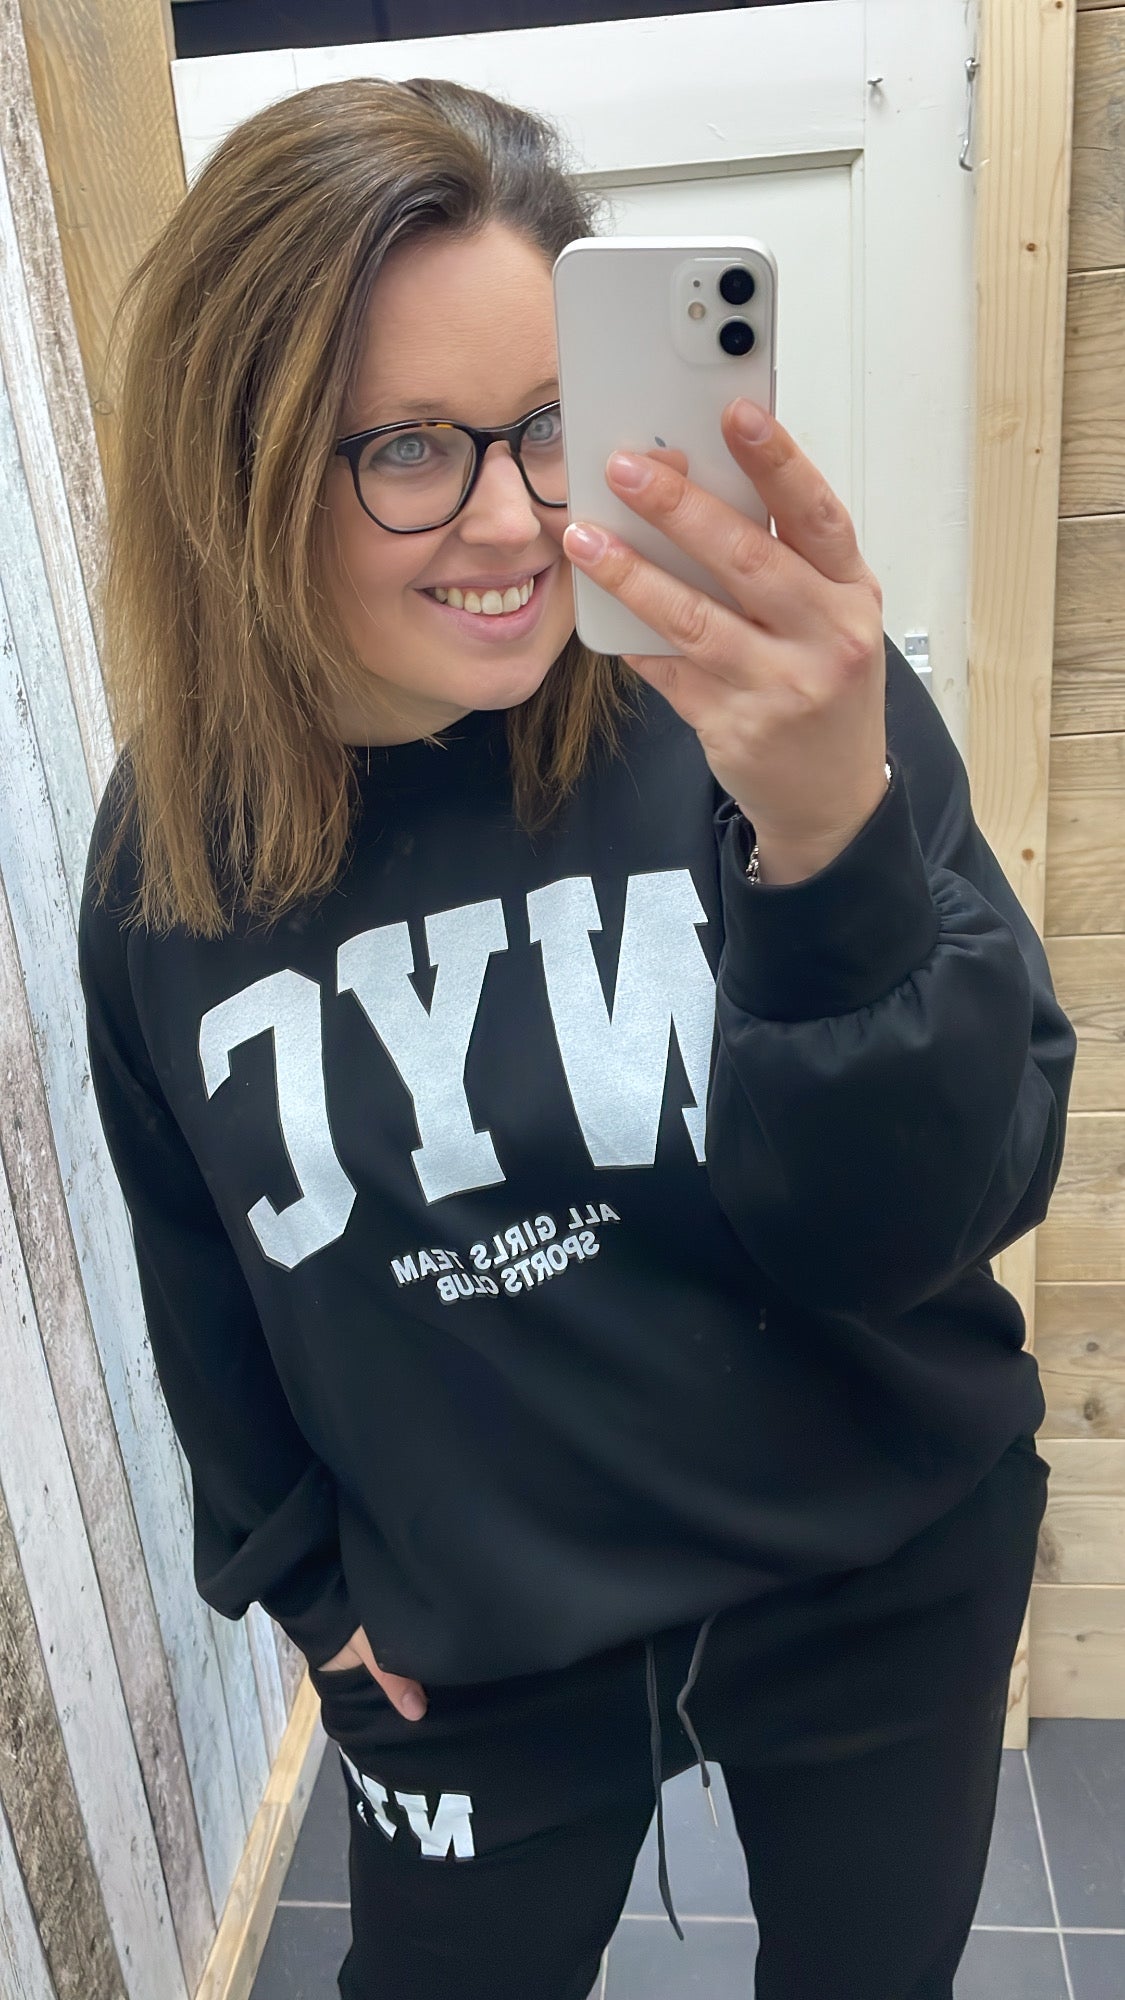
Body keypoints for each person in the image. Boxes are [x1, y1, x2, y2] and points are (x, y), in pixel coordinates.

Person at [78, 76, 1075, 2000]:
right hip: (473, 1657)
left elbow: (935, 1216)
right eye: (408, 448)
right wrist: (301, 1586)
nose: (515, 519)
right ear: (238, 470)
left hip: (874, 1575)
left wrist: (829, 841)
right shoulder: (173, 851)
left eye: (550, 423)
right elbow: (195, 1259)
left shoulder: (775, 711)